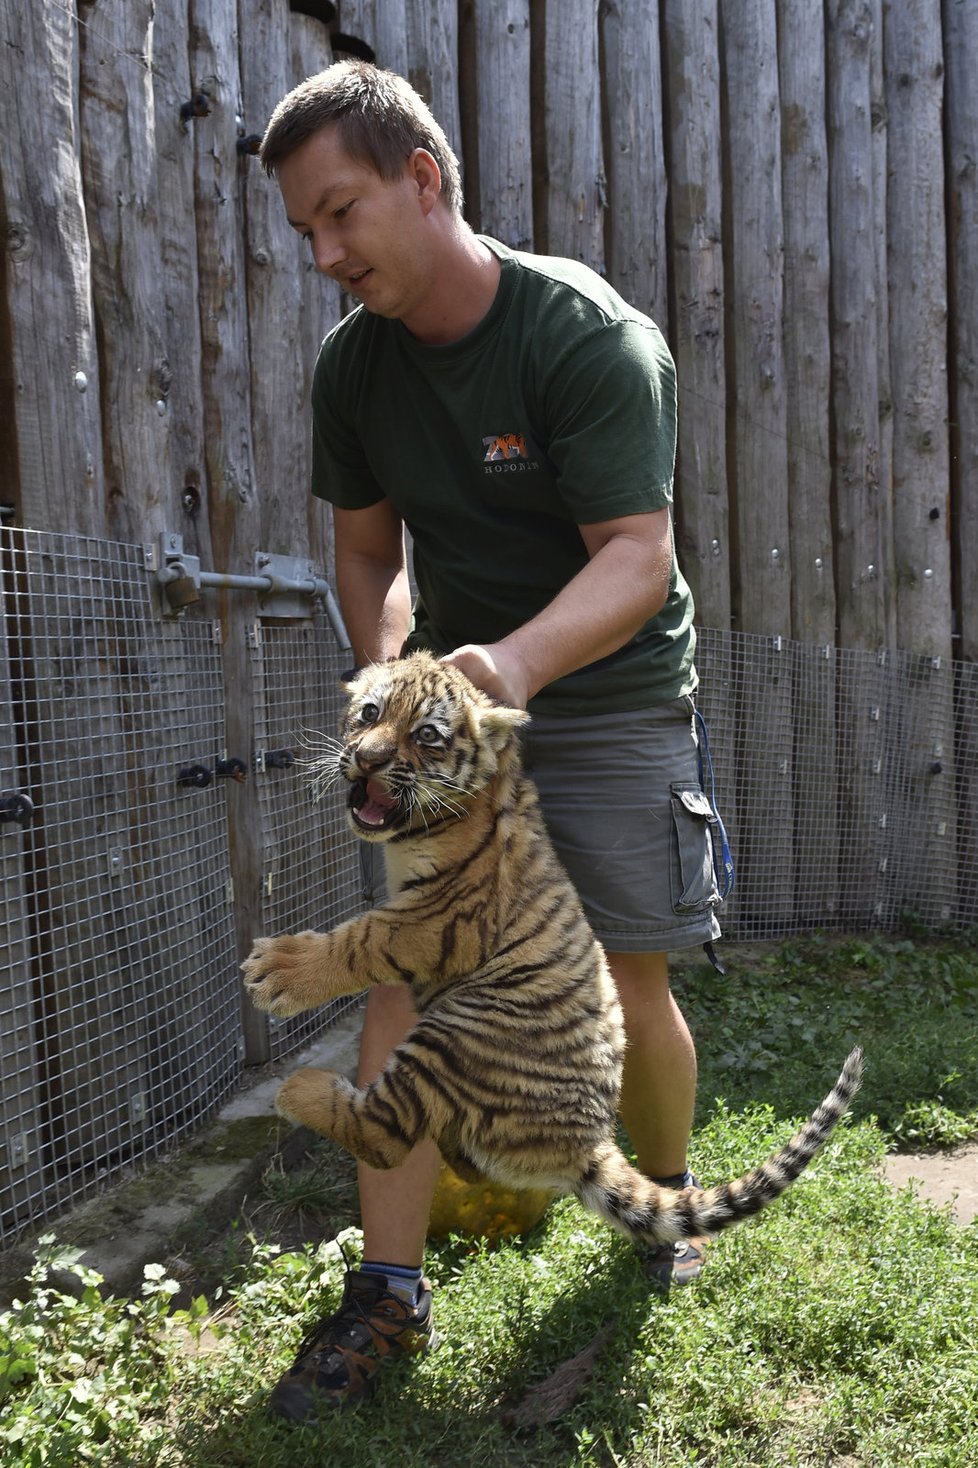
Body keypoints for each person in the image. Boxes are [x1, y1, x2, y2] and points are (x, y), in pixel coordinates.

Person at [258, 60, 724, 1421]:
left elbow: (636, 558)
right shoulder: (354, 371)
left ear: (424, 179)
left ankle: (665, 1204)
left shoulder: (582, 336)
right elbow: (363, 549)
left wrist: (500, 670)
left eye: (341, 213)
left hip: (608, 689)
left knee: (622, 979)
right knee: (403, 981)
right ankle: (385, 1294)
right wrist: (391, 674)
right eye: (305, 232)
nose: (326, 254)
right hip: (453, 718)